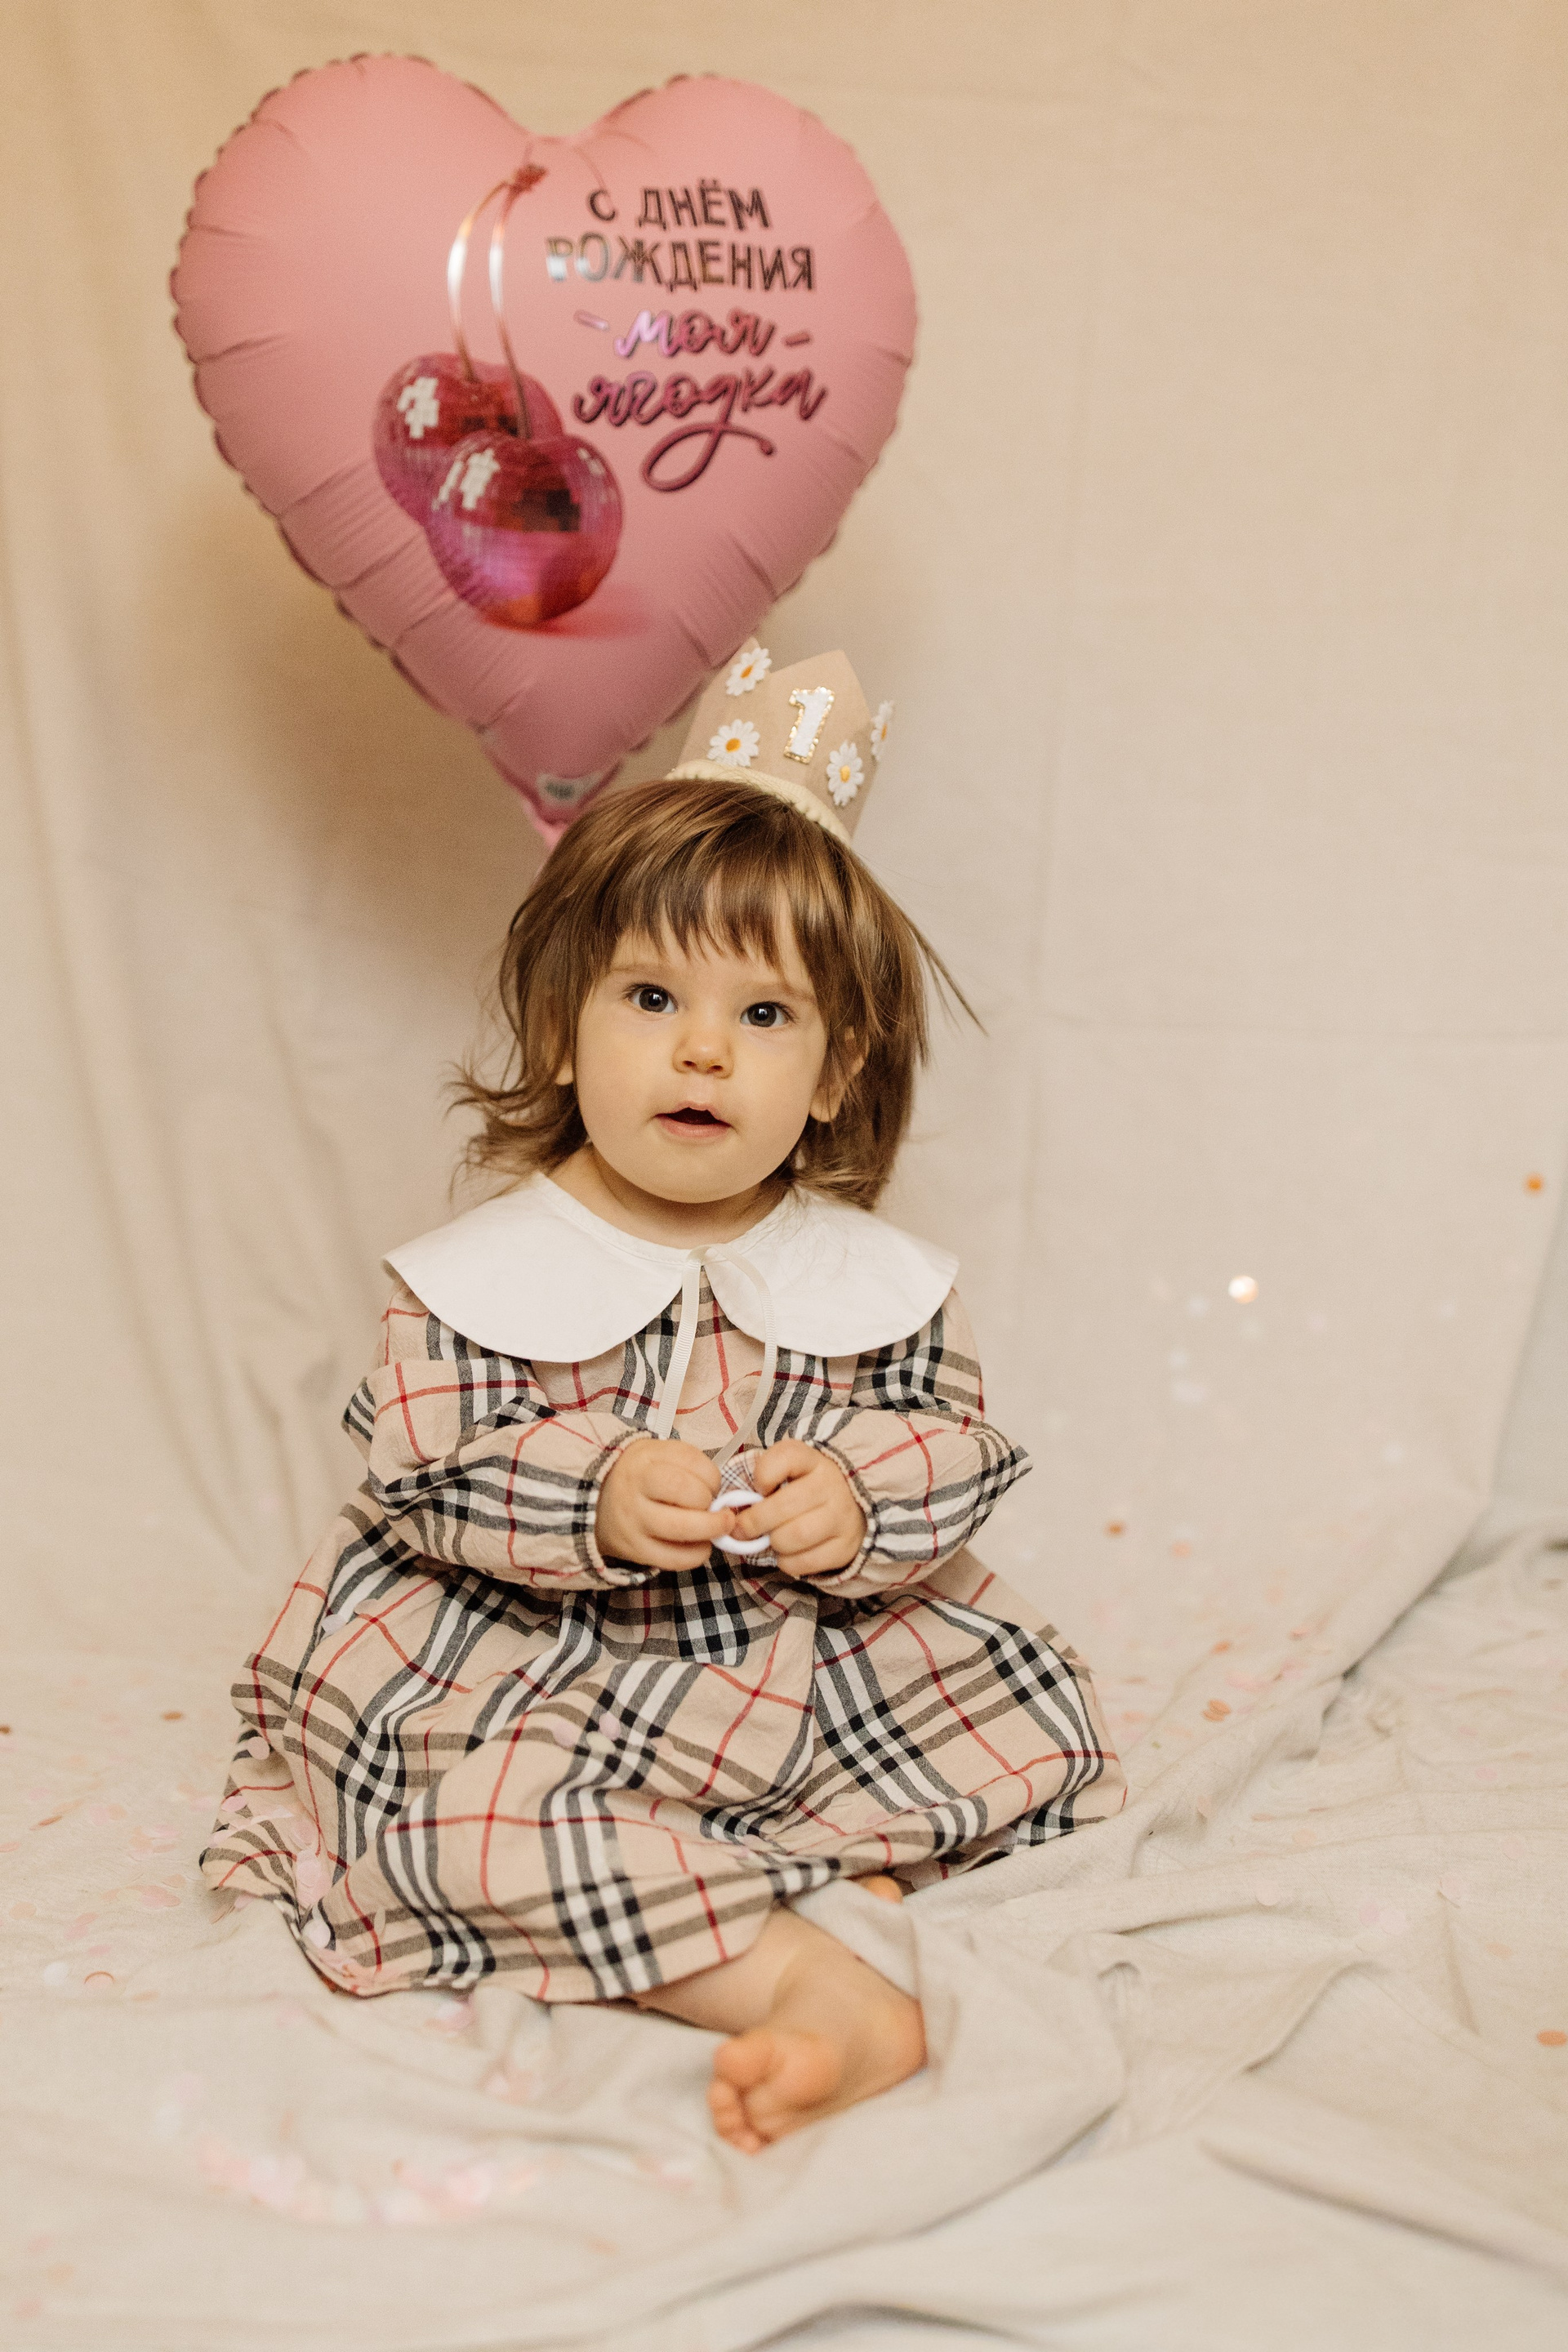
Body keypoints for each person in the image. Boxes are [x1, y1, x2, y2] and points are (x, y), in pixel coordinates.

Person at [203, 644, 1125, 2153]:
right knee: (471, 1834)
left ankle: (770, 1866)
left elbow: (952, 1442)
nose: (702, 1048)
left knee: (1028, 1738)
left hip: (807, 1668)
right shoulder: (479, 1274)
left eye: (766, 1017)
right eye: (651, 996)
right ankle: (802, 1974)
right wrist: (595, 1491)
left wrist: (859, 1501)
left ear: (835, 1072)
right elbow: (426, 1464)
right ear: (566, 1029)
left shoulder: (871, 1277)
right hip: (534, 1663)